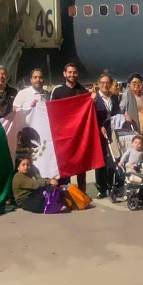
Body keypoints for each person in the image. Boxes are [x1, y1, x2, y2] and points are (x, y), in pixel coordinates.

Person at [50, 62, 90, 191]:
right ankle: (64, 194)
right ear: (64, 74)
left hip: (79, 134)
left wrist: (92, 99)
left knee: (81, 165)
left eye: (74, 72)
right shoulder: (57, 91)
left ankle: (82, 193)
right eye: (70, 72)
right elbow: (52, 112)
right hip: (64, 135)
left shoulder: (83, 91)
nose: (72, 75)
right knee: (65, 166)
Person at [93, 74, 121, 198]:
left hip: (112, 132)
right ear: (98, 84)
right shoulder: (94, 98)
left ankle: (110, 185)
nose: (105, 85)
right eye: (102, 82)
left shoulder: (114, 97)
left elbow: (117, 113)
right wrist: (100, 126)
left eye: (107, 82)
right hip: (99, 132)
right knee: (100, 160)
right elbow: (92, 116)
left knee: (111, 160)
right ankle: (101, 188)